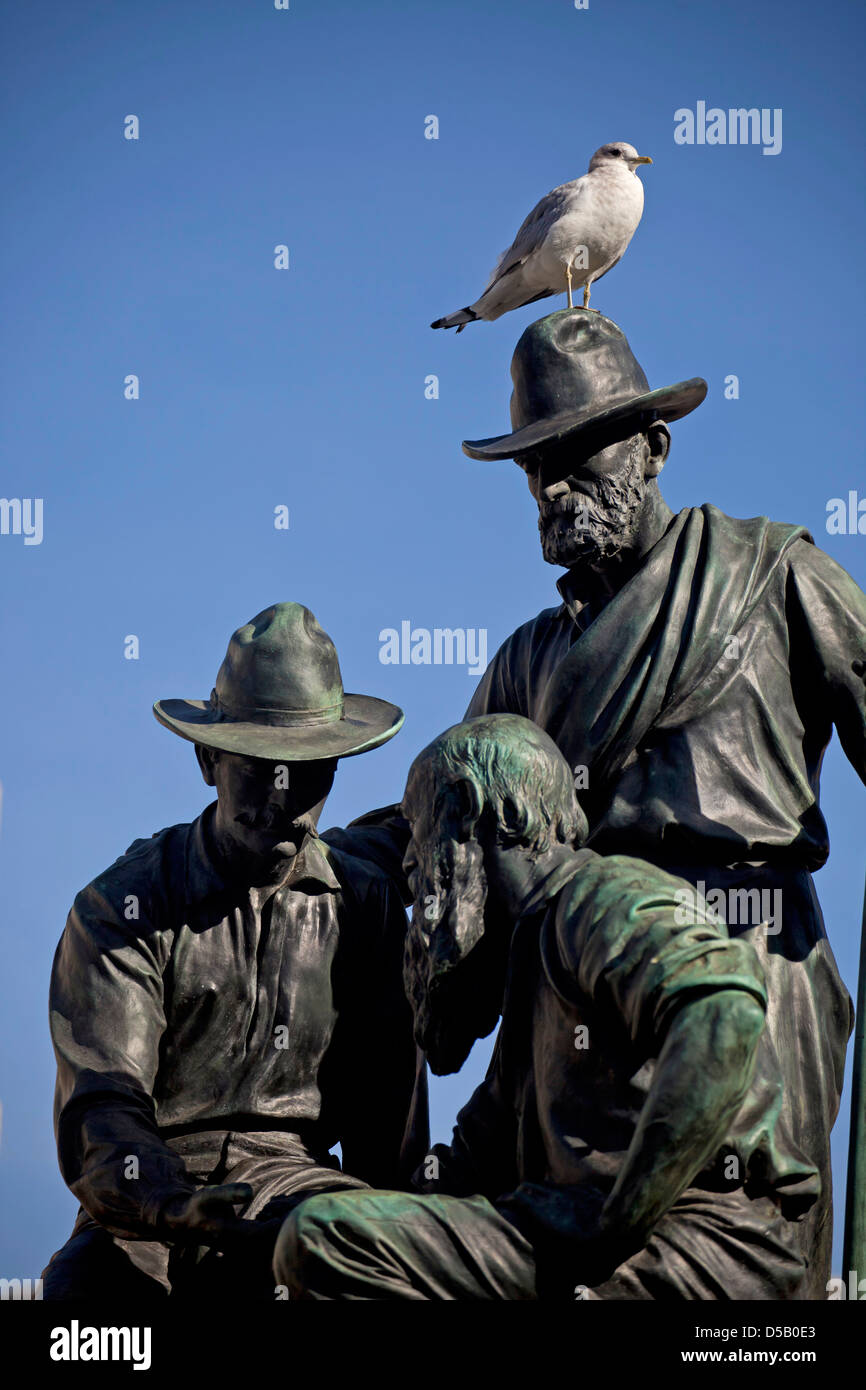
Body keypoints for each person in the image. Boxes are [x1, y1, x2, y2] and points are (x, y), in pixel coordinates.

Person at [327, 310, 865, 1293]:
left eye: (580, 451)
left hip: (739, 974)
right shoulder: (526, 661)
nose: (554, 483)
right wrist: (308, 865)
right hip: (568, 1014)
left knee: (729, 1292)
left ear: (654, 446)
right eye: (536, 463)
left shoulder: (769, 575)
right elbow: (436, 816)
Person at [277, 715, 817, 1301]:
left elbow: (722, 1015)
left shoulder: (599, 897)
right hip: (571, 1232)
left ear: (464, 807)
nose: (409, 861)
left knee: (323, 1238)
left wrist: (619, 1218)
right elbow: (461, 1171)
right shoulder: (529, 969)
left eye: (416, 827)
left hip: (697, 1246)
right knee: (322, 1235)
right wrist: (281, 1213)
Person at [42, 602, 427, 1300]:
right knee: (81, 1307)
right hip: (146, 1210)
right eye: (258, 768)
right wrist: (168, 1202)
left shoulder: (362, 906)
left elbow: (387, 1127)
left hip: (302, 1197)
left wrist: (393, 1232)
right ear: (206, 760)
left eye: (308, 771)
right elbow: (104, 1111)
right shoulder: (122, 909)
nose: (283, 798)